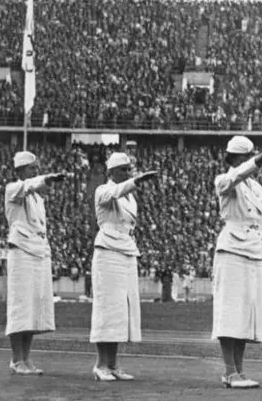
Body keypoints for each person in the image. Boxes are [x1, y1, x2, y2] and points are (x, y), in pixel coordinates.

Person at [211, 136, 262, 389]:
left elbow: (260, 223)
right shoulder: (224, 179)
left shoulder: (256, 188)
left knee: (245, 314)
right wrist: (258, 160)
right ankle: (229, 371)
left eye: (251, 156)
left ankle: (239, 371)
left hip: (253, 250)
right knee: (230, 312)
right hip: (232, 248)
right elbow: (234, 179)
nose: (249, 162)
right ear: (232, 159)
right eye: (244, 158)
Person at [90, 152, 158, 382]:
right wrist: (136, 181)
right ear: (110, 172)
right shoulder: (103, 190)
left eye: (129, 170)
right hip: (108, 249)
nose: (128, 174)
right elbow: (114, 192)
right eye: (123, 170)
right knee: (107, 308)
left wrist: (132, 183)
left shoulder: (130, 198)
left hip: (127, 249)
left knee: (121, 310)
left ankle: (113, 364)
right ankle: (100, 365)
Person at [4, 151, 68, 375]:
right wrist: (48, 179)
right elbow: (28, 185)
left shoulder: (38, 199)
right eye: (31, 168)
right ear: (20, 170)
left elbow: (34, 188)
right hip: (21, 251)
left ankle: (26, 358)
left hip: (38, 252)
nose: (35, 171)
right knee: (20, 306)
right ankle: (16, 359)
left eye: (36, 168)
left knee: (33, 307)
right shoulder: (13, 189)